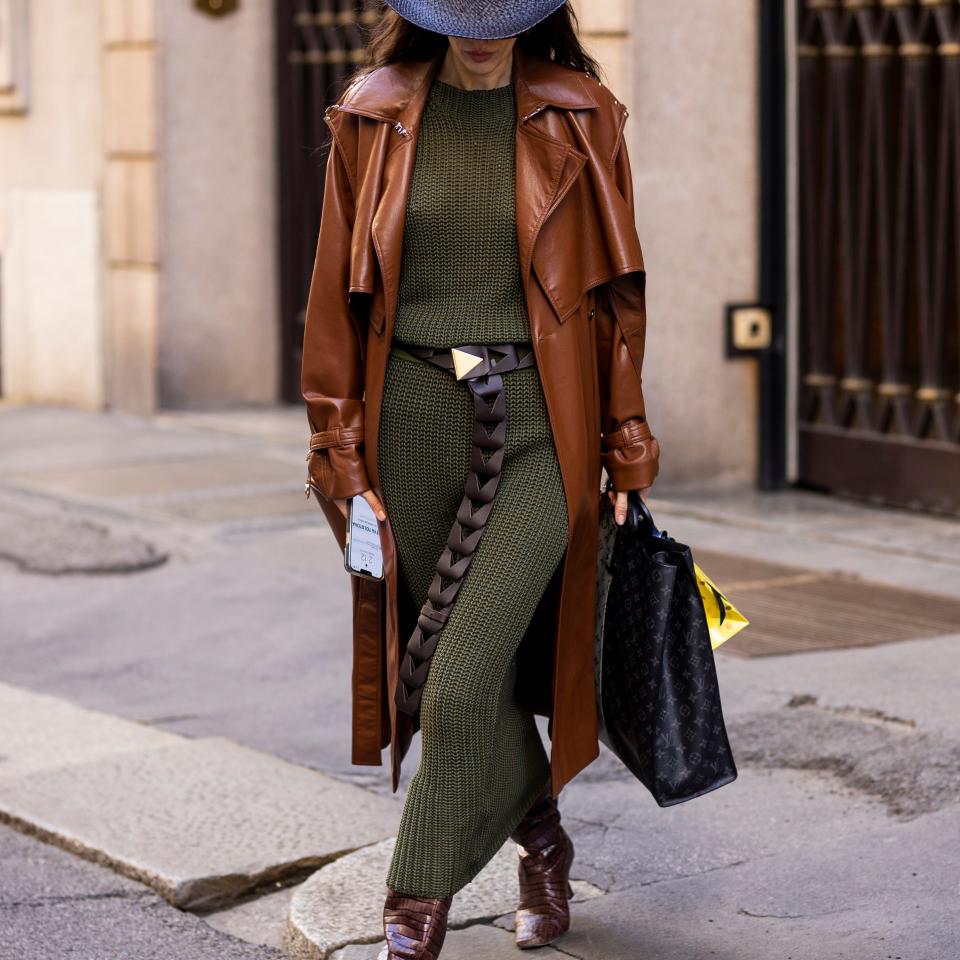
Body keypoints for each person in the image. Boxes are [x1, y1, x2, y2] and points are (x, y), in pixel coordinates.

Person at [300, 1, 661, 956]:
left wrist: (625, 441)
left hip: (545, 426)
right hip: (412, 428)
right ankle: (542, 842)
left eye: (500, 7)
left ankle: (413, 901)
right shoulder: (370, 114)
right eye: (460, 7)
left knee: (454, 685)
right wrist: (337, 451)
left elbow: (619, 298)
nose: (481, 27)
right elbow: (332, 296)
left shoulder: (582, 114)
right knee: (463, 674)